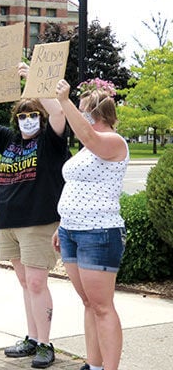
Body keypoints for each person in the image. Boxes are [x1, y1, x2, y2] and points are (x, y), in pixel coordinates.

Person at [0, 68, 69, 368]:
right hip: (9, 221)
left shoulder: (51, 140)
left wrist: (35, 82)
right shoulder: (10, 139)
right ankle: (32, 337)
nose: (28, 119)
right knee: (25, 283)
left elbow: (59, 114)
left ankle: (46, 343)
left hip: (39, 221)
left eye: (33, 114)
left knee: (37, 283)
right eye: (23, 115)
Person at [53, 80, 129, 370]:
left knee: (102, 306)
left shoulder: (112, 142)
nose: (78, 115)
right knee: (88, 303)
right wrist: (62, 224)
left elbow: (88, 136)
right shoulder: (86, 150)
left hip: (99, 233)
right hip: (72, 230)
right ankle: (93, 364)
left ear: (95, 113)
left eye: (83, 110)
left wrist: (64, 101)